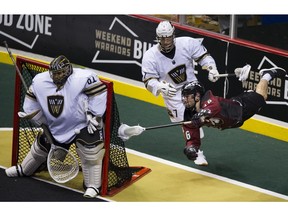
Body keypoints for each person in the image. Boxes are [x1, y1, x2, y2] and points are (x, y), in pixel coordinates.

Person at [5, 55, 107, 198]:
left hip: (84, 123)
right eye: (54, 73)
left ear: (68, 71)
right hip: (57, 125)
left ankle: (93, 186)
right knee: (41, 147)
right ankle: (24, 169)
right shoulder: (40, 81)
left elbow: (99, 93)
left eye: (60, 73)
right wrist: (38, 118)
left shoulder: (83, 78)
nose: (56, 76)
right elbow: (30, 103)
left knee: (91, 151)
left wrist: (95, 115)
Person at [141, 20, 220, 165]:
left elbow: (204, 56)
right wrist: (159, 87)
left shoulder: (187, 43)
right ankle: (196, 147)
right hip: (172, 93)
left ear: (173, 35)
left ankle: (196, 151)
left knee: (193, 120)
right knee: (187, 123)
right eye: (162, 38)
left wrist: (211, 68)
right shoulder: (150, 56)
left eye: (168, 37)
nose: (166, 41)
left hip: (192, 87)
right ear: (158, 37)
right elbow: (148, 81)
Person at [181, 66, 287, 164]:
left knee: (262, 96)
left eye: (187, 96)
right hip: (232, 119)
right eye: (184, 96)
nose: (184, 100)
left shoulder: (208, 99)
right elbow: (190, 132)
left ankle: (267, 75)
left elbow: (214, 107)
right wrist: (191, 147)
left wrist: (200, 116)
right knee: (259, 95)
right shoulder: (189, 113)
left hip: (241, 108)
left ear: (197, 96)